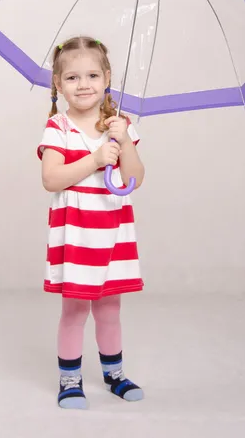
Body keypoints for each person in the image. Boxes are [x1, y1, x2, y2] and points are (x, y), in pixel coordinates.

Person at [37, 36, 145, 409]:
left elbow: (136, 178)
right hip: (78, 233)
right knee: (75, 309)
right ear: (58, 83)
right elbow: (51, 179)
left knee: (110, 308)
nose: (83, 85)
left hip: (113, 233)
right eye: (72, 78)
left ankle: (114, 374)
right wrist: (97, 158)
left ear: (107, 78)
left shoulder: (119, 125)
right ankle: (70, 379)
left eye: (92, 75)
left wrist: (124, 143)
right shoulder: (59, 127)